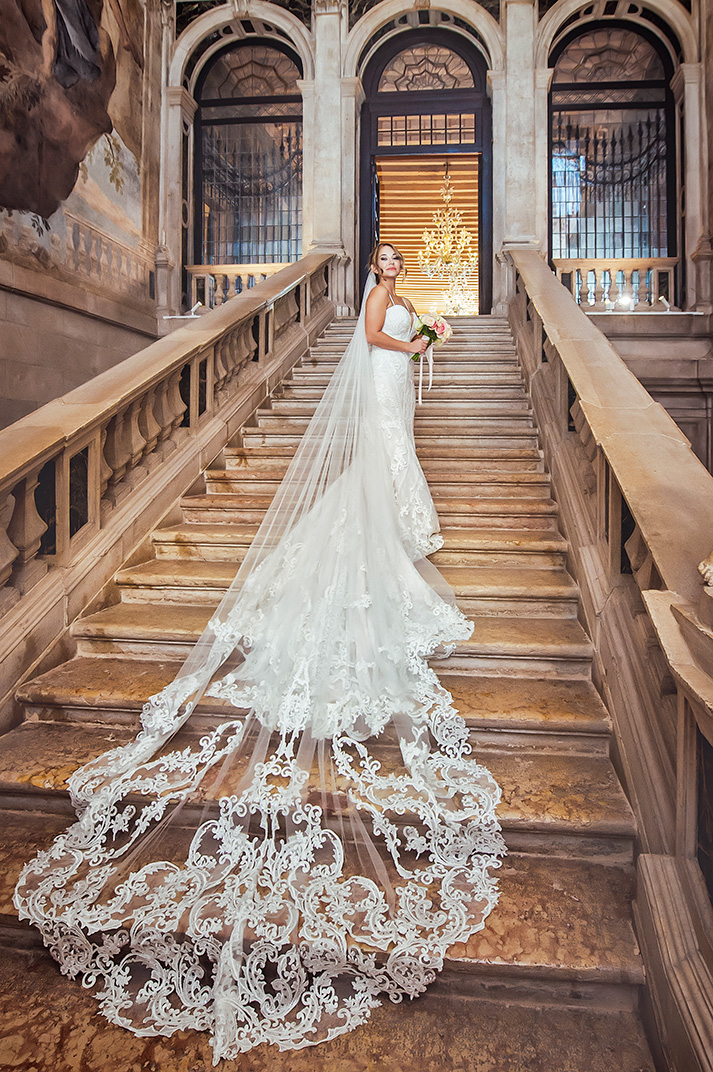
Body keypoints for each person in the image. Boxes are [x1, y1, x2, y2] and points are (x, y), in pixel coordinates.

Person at [15, 242, 505, 1062]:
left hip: (395, 393)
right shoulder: (374, 306)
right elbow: (376, 343)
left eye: (391, 260)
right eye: (381, 259)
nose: (387, 267)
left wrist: (429, 333)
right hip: (385, 383)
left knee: (392, 458)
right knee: (381, 465)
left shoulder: (402, 292)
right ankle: (390, 537)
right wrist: (419, 343)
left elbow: (398, 336)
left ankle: (402, 528)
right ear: (373, 267)